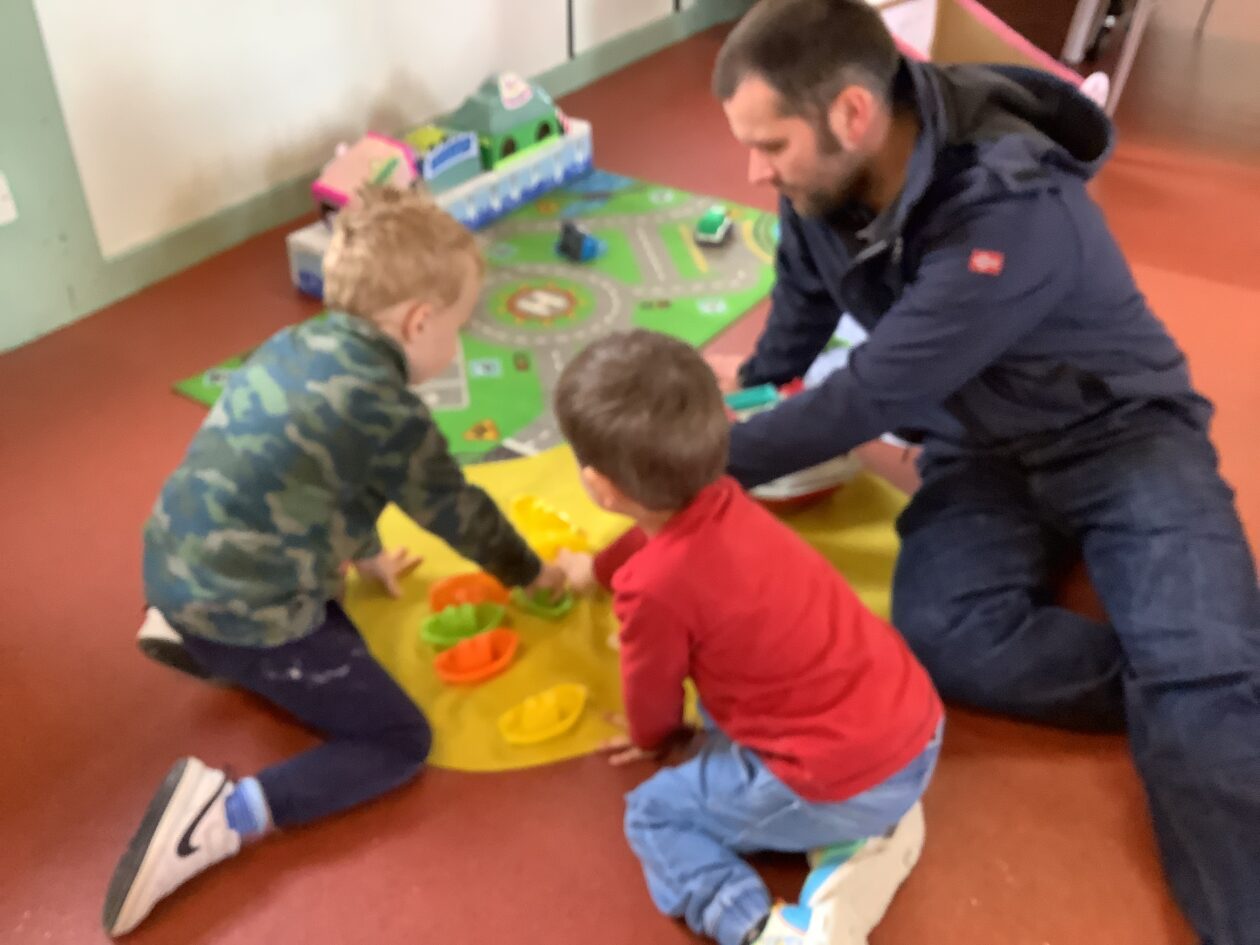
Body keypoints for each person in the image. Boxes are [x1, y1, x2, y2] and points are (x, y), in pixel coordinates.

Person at [708, 2, 1260, 942]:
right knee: (946, 638)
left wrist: (694, 462)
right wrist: (757, 390)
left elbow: (873, 393)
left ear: (851, 114)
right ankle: (1199, 673)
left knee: (1204, 701)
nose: (756, 170)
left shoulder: (1009, 208)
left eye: (770, 144)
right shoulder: (820, 185)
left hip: (1121, 437)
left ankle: (1207, 689)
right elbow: (801, 305)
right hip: (978, 448)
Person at [103, 187, 566, 937]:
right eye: (457, 329)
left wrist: (368, 552)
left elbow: (318, 469)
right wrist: (535, 572)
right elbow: (459, 512)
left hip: (174, 561)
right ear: (418, 321)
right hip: (242, 605)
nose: (456, 347)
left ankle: (191, 632)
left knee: (336, 608)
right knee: (398, 739)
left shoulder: (297, 343)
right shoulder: (389, 410)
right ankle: (220, 816)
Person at [552, 330, 943, 945]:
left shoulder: (653, 589)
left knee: (655, 815)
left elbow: (651, 692)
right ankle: (859, 830)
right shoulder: (727, 496)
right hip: (916, 725)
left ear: (601, 487)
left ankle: (761, 928)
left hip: (852, 779)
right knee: (731, 704)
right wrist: (596, 569)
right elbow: (651, 539)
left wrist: (656, 740)